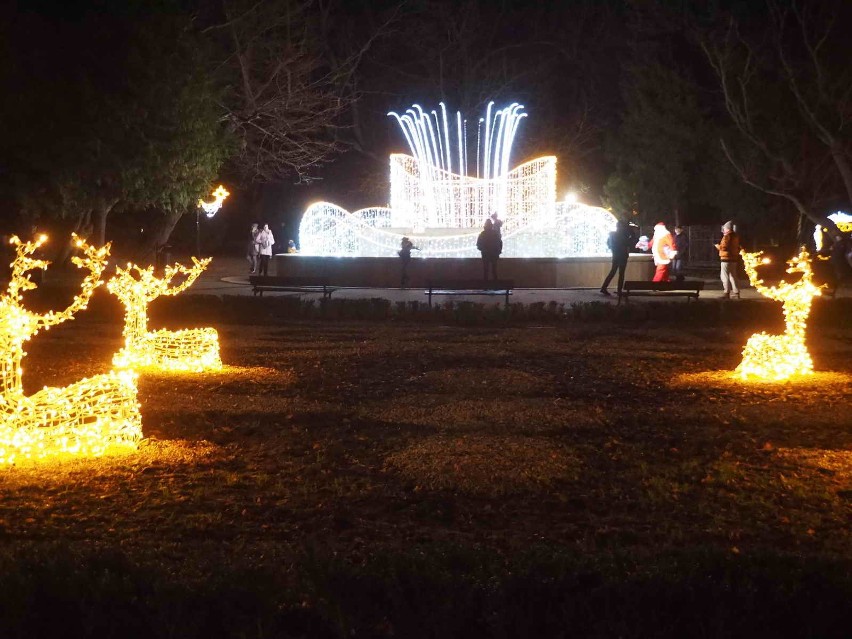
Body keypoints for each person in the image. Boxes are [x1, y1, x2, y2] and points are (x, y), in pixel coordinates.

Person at [600, 219, 635, 296]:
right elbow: (631, 241)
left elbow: (608, 244)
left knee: (612, 272)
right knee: (621, 274)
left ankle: (604, 287)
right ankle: (619, 290)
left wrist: (613, 249)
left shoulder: (612, 234)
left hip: (615, 255)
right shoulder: (624, 236)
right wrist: (630, 231)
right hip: (622, 256)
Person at [714, 220, 740, 299]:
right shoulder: (735, 236)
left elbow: (723, 247)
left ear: (728, 229)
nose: (723, 230)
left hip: (726, 258)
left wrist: (717, 246)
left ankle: (726, 293)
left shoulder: (727, 236)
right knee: (733, 276)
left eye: (724, 228)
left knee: (724, 276)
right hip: (734, 259)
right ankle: (736, 292)